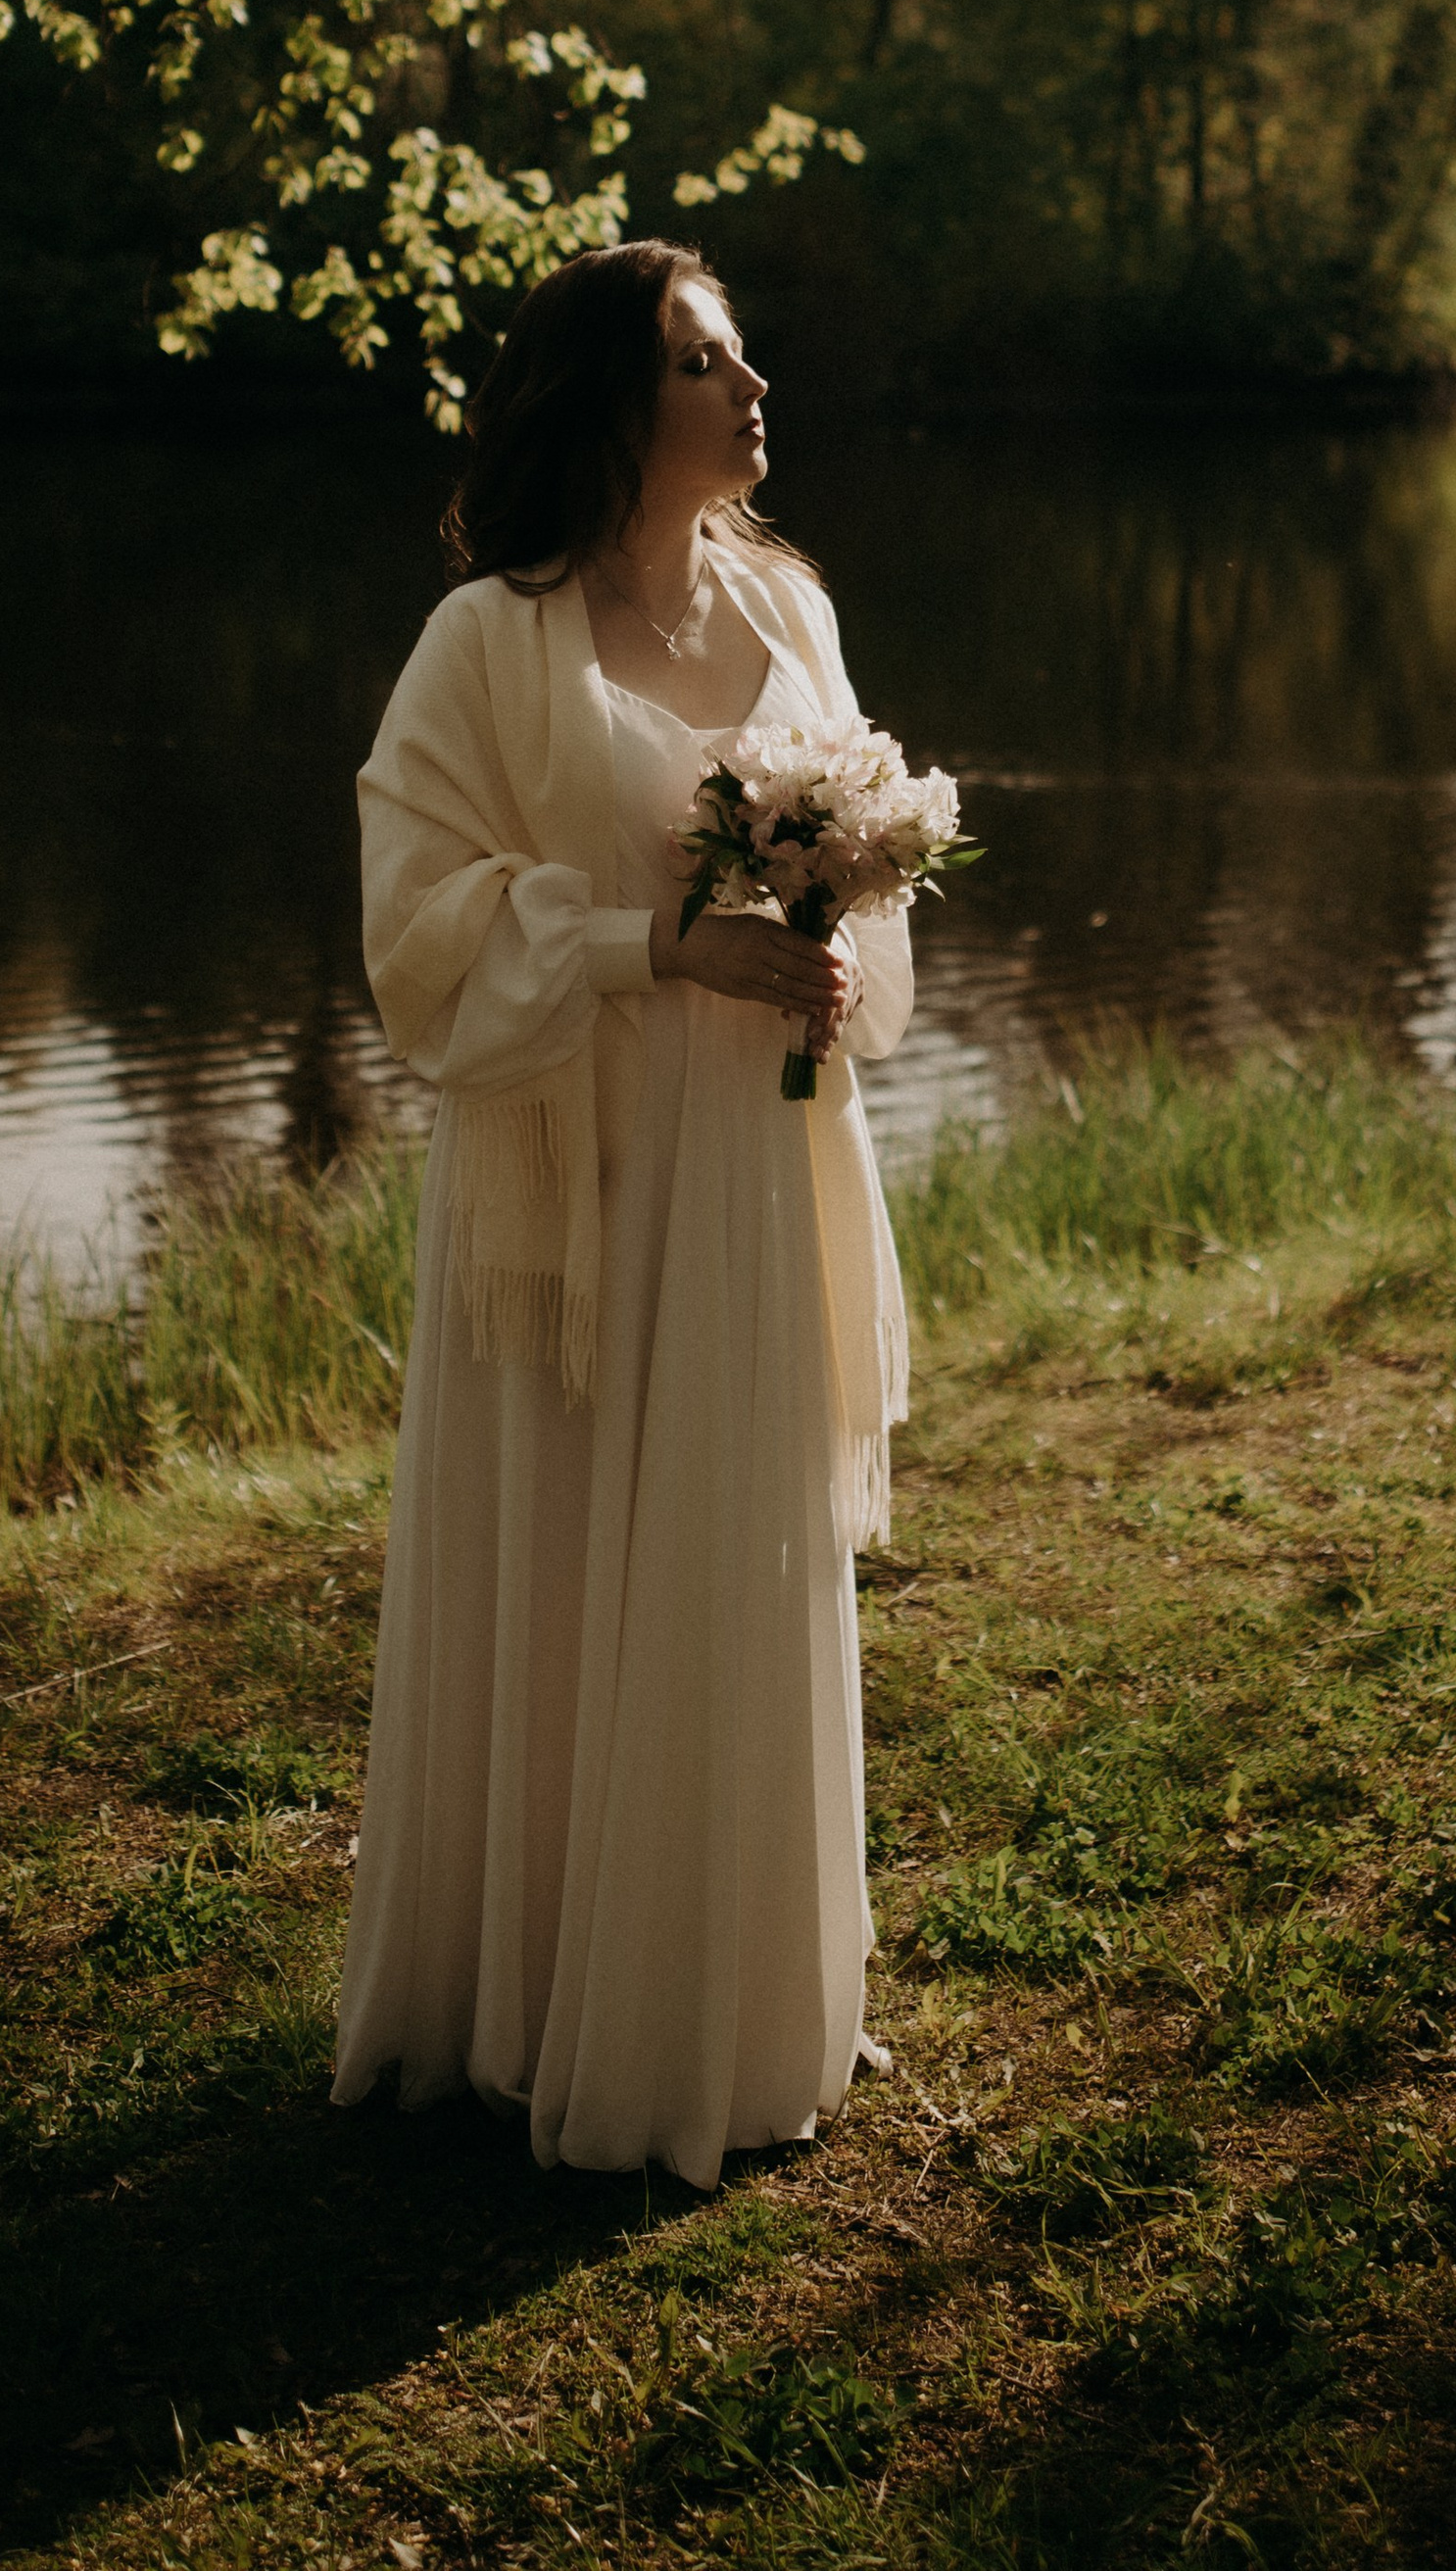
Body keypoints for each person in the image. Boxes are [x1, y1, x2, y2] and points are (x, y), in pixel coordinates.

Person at [330, 239, 912, 2191]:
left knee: (733, 1550)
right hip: (575, 1175)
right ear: (608, 398)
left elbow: (862, 864)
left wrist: (830, 947)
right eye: (696, 362)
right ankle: (535, 1992)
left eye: (739, 357)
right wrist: (645, 946)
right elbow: (412, 932)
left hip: (749, 1165)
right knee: (575, 1548)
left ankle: (732, 1988)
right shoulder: (492, 642)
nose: (747, 391)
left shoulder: (783, 605)